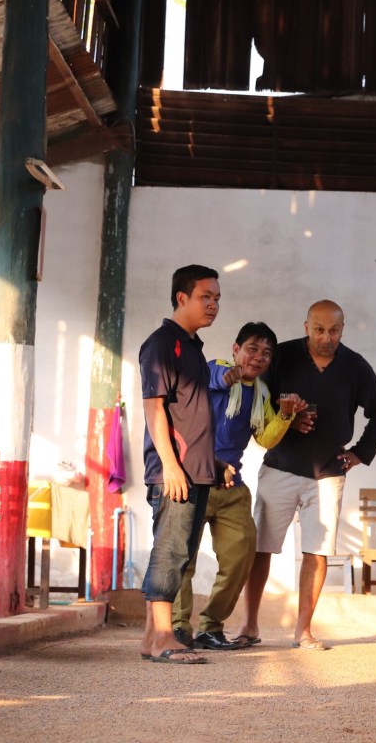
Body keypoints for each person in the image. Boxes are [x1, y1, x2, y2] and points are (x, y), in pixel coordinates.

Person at [235, 300, 376, 650]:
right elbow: (260, 400)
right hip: (279, 466)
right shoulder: (283, 356)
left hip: (328, 474)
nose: (326, 337)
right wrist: (288, 420)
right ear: (307, 327)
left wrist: (360, 453)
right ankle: (249, 624)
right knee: (260, 548)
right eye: (319, 330)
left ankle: (303, 631)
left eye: (334, 330)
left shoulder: (355, 365)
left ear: (342, 329)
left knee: (317, 551)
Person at [171, 322, 305, 650]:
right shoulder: (214, 369)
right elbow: (216, 378)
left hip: (232, 487)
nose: (258, 357)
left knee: (242, 556)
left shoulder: (260, 393)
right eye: (252, 349)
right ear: (236, 350)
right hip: (192, 481)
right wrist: (231, 376)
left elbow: (265, 438)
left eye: (266, 354)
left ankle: (210, 628)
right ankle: (178, 627)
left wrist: (286, 415)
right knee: (182, 558)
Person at [137, 264, 222, 666]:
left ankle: (150, 639)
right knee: (170, 552)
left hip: (197, 470)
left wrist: (214, 462)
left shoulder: (194, 348)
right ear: (181, 298)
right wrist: (170, 466)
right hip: (175, 471)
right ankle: (163, 637)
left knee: (181, 555)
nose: (213, 304)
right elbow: (154, 408)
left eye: (217, 298)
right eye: (206, 297)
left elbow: (191, 415)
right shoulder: (162, 344)